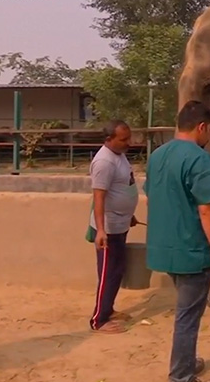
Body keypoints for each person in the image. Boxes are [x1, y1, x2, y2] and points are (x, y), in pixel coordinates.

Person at [144, 100, 210, 382]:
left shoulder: (157, 156)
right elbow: (207, 209)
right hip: (192, 251)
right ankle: (181, 375)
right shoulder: (200, 159)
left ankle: (188, 361)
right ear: (202, 127)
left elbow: (154, 196)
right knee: (188, 317)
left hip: (165, 248)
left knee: (186, 311)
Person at [87, 119, 140, 334]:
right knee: (107, 273)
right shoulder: (104, 162)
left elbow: (122, 188)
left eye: (128, 138)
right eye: (123, 139)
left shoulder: (119, 155)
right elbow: (99, 198)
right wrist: (101, 230)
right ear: (109, 139)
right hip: (108, 228)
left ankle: (108, 309)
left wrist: (129, 214)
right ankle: (98, 320)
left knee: (117, 271)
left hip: (120, 224)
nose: (129, 143)